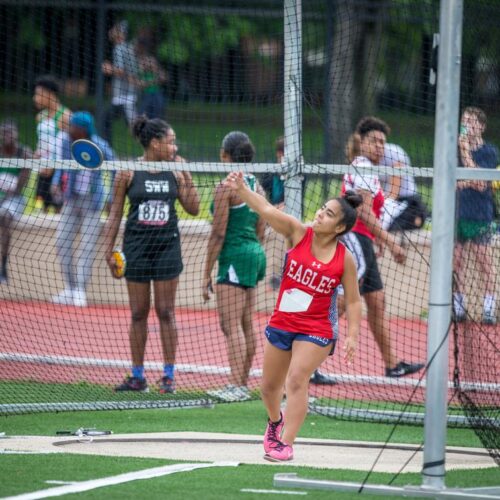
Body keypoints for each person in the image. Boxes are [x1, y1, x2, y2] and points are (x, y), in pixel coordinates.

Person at [225, 170, 362, 461]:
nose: (320, 215)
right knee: (268, 389)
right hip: (283, 322)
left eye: (328, 214)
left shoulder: (344, 259)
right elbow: (264, 208)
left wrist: (351, 336)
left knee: (297, 380)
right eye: (322, 209)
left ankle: (285, 443)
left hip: (317, 328)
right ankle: (275, 423)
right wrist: (241, 189)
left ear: (339, 227)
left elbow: (353, 299)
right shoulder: (297, 232)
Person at [104, 116, 200, 393]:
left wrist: (186, 174)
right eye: (170, 142)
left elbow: (193, 208)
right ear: (154, 143)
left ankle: (168, 376)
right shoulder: (129, 172)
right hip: (136, 248)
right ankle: (137, 376)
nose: (174, 146)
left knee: (166, 311)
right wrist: (109, 251)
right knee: (138, 313)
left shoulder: (175, 169)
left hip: (167, 247)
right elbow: (114, 215)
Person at [341, 116, 424, 378]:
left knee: (377, 303)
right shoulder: (363, 166)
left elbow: (370, 215)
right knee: (341, 304)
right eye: (374, 141)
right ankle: (310, 362)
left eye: (382, 143)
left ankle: (392, 364)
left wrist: (376, 240)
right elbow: (364, 212)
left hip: (364, 241)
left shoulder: (372, 171)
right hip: (354, 241)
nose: (379, 146)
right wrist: (391, 243)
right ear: (361, 142)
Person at [202, 131, 266, 402]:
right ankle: (241, 383)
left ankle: (236, 385)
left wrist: (206, 273)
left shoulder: (226, 187)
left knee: (231, 325)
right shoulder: (256, 186)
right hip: (254, 252)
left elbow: (218, 233)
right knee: (245, 323)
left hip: (235, 255)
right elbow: (262, 228)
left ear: (224, 155)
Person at [50, 112, 115, 307]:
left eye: (73, 126)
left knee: (87, 246)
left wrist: (111, 198)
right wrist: (55, 182)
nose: (69, 129)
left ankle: (80, 290)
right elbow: (60, 167)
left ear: (83, 129)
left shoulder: (100, 146)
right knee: (61, 243)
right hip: (71, 200)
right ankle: (69, 288)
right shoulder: (65, 143)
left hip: (92, 203)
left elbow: (116, 170)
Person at [453, 106, 499, 324]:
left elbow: (481, 184)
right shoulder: (454, 149)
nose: (467, 126)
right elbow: (452, 182)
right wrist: (463, 182)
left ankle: (489, 309)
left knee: (484, 263)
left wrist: (465, 151)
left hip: (480, 215)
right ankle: (458, 308)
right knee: (456, 262)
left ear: (481, 126)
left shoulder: (489, 151)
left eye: (472, 122)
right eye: (464, 121)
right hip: (458, 214)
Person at [0, 121, 33, 283]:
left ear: (17, 134)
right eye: (4, 132)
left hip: (15, 199)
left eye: (10, 132)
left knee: (4, 216)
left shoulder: (24, 153)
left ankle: (3, 268)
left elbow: (20, 186)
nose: (7, 135)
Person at [33, 75, 71, 213]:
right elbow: (42, 142)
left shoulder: (65, 116)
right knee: (41, 213)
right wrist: (36, 155)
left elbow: (67, 148)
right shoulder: (40, 116)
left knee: (59, 211)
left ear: (51, 94)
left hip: (58, 172)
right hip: (42, 169)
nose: (35, 98)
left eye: (39, 94)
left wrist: (54, 165)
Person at [102, 21, 139, 146]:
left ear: (120, 33)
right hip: (127, 95)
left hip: (124, 96)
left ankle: (108, 152)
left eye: (114, 30)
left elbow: (120, 70)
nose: (110, 32)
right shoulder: (128, 48)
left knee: (135, 128)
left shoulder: (119, 48)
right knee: (133, 126)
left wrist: (108, 68)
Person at [380, 143, 428, 232]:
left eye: (380, 141)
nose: (378, 146)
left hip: (409, 204)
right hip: (388, 203)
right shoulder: (365, 160)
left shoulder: (393, 152)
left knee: (390, 230)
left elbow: (393, 194)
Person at [135, 37, 167, 120]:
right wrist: (152, 80)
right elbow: (139, 84)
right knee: (142, 117)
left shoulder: (151, 60)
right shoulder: (136, 62)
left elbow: (163, 77)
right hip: (145, 95)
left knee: (157, 118)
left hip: (156, 94)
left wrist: (154, 69)